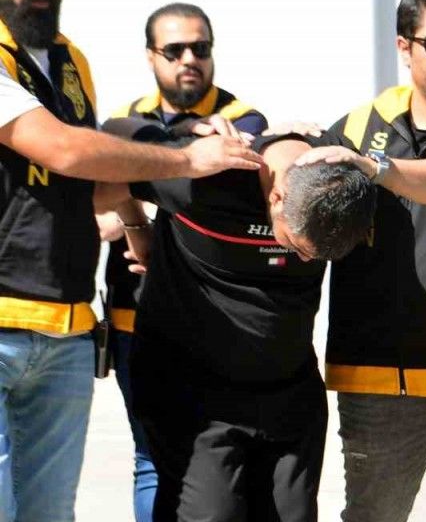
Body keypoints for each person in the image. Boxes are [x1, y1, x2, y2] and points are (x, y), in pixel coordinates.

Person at [0, 0, 260, 521]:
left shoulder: (71, 62)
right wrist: (187, 159)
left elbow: (88, 179)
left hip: (65, 328)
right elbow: (63, 149)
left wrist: (138, 221)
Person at [96, 121, 377, 522]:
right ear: (277, 197)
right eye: (296, 245)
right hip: (194, 394)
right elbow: (112, 142)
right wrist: (136, 223)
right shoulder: (208, 174)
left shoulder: (339, 165)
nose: (305, 260)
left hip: (288, 394)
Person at [98, 1, 267, 522]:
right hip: (135, 318)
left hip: (212, 323)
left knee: (224, 458)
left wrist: (132, 196)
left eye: (200, 48)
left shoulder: (242, 120)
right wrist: (140, 215)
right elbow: (98, 209)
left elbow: (218, 202)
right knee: (151, 460)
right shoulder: (128, 119)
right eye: (174, 50)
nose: (190, 59)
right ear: (151, 56)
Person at [324, 0, 426, 521]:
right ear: (404, 47)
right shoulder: (358, 127)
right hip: (377, 379)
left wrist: (381, 170)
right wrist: (286, 142)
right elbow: (301, 178)